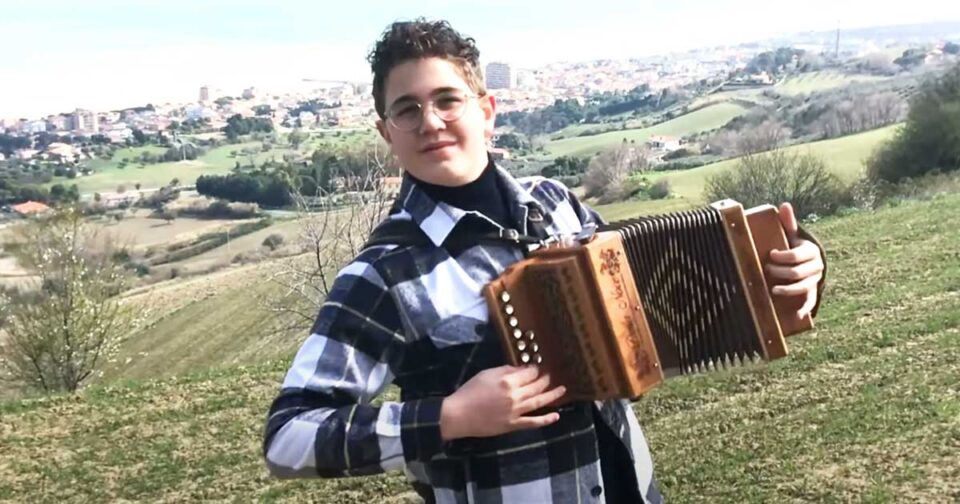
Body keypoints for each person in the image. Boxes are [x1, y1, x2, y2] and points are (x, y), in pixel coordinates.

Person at [262, 18, 826, 503]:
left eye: (447, 100)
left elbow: (651, 300)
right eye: (407, 110)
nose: (430, 121)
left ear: (487, 111)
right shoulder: (385, 273)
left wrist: (792, 267)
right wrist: (451, 416)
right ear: (387, 132)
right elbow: (290, 438)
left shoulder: (554, 203)